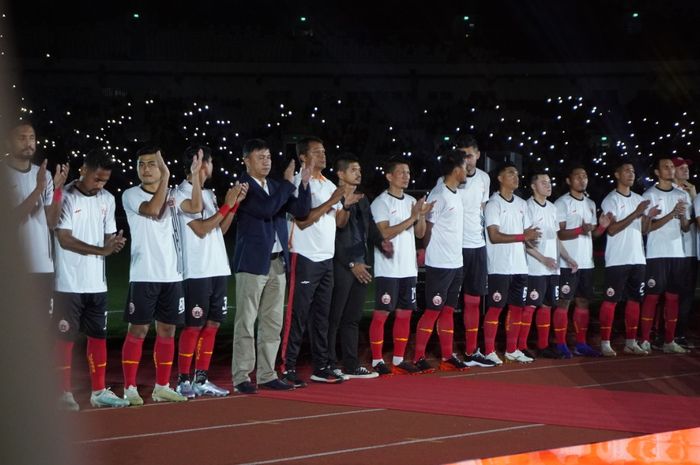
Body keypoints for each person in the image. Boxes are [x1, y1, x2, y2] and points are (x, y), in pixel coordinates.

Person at [231, 139, 311, 394]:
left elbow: (301, 210)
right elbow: (266, 210)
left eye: (268, 157)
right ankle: (241, 376)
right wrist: (288, 184)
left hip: (278, 263)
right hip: (252, 264)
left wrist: (304, 184)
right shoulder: (243, 187)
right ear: (246, 160)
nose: (266, 161)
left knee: (273, 322)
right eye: (260, 157)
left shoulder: (276, 186)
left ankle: (266, 374)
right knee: (246, 321)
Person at [53, 149, 129, 409]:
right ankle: (64, 393)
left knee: (98, 337)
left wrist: (114, 244)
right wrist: (102, 250)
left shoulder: (107, 198)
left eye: (105, 180)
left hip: (97, 284)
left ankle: (98, 392)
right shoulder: (65, 196)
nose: (100, 185)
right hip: (68, 284)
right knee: (65, 338)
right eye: (97, 179)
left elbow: (107, 238)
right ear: (83, 170)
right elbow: (64, 239)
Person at [119, 147, 196, 405]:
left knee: (167, 330)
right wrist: (166, 177)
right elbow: (153, 210)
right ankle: (130, 387)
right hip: (144, 274)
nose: (146, 168)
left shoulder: (172, 195)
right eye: (142, 164)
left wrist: (193, 176)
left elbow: (195, 207)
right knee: (138, 330)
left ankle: (162, 385)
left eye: (152, 164)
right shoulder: (130, 194)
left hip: (171, 275)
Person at [174, 145, 247, 397]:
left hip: (217, 267)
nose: (212, 166)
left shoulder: (208, 194)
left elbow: (220, 229)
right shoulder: (180, 194)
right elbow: (202, 228)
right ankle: (183, 380)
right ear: (200, 164)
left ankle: (201, 378)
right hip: (196, 270)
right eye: (210, 161)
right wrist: (226, 206)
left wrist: (234, 205)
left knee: (213, 323)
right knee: (193, 325)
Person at [281, 137, 351, 386]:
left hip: (325, 258)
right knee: (297, 315)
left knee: (322, 316)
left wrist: (346, 204)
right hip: (304, 255)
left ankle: (320, 366)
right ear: (303, 157)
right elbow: (302, 220)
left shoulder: (329, 183)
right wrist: (332, 202)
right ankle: (287, 366)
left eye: (324, 151)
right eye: (317, 152)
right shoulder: (300, 182)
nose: (323, 155)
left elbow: (340, 222)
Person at [328, 154, 390, 380]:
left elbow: (370, 227)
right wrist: (351, 263)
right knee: (333, 317)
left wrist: (381, 242)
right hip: (341, 265)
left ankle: (351, 364)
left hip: (362, 264)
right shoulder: (331, 197)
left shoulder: (362, 199)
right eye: (353, 169)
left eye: (359, 169)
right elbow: (331, 237)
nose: (358, 173)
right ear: (341, 173)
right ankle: (329, 363)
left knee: (352, 317)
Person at [368, 157, 431, 375]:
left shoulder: (411, 201)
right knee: (382, 314)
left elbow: (420, 233)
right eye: (401, 172)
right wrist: (413, 217)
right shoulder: (381, 202)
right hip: (388, 269)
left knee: (405, 314)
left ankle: (398, 358)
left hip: (408, 269)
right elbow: (384, 232)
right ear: (389, 176)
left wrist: (420, 216)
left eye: (408, 172)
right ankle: (377, 360)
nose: (406, 176)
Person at [3, 122, 68, 319]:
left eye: (32, 137)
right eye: (21, 138)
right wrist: (39, 189)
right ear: (7, 143)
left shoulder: (44, 174)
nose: (28, 143)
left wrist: (57, 190)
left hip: (42, 267)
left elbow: (51, 221)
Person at [412, 149, 470, 372]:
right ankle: (418, 356)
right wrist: (424, 251)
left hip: (456, 263)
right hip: (440, 264)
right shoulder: (439, 195)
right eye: (465, 167)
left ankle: (447, 356)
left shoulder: (455, 194)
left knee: (448, 311)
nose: (467, 171)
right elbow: (428, 228)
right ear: (456, 170)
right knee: (433, 310)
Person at [597, 161, 657, 357]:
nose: (631, 173)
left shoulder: (639, 199)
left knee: (635, 300)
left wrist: (648, 217)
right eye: (626, 170)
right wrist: (636, 213)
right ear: (617, 174)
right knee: (611, 300)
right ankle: (605, 342)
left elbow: (645, 230)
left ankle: (631, 341)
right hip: (617, 259)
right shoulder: (611, 200)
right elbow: (612, 230)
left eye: (633, 170)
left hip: (637, 257)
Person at [483, 163, 540, 364]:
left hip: (520, 266)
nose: (516, 177)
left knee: (517, 309)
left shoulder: (522, 204)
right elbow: (494, 236)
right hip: (499, 266)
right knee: (496, 308)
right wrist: (524, 236)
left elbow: (528, 236)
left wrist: (533, 237)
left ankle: (511, 349)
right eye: (510, 173)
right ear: (499, 178)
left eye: (517, 174)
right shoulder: (493, 204)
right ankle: (489, 350)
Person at [553, 165, 611, 358]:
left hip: (587, 263)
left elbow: (591, 234)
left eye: (585, 176)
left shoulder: (591, 203)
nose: (582, 179)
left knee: (583, 302)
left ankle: (581, 343)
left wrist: (602, 228)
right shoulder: (562, 203)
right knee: (564, 302)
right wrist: (579, 230)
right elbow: (558, 233)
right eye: (577, 176)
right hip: (567, 262)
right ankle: (560, 344)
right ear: (569, 180)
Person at [639, 157, 691, 354]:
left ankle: (669, 341)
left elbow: (685, 227)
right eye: (666, 167)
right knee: (652, 297)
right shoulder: (649, 195)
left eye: (672, 167)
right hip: (656, 253)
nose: (670, 169)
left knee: (673, 298)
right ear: (657, 173)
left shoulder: (681, 194)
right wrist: (671, 214)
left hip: (677, 253)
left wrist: (684, 216)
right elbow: (646, 229)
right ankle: (644, 340)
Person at [453, 136, 497, 367]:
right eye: (462, 155)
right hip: (454, 248)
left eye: (469, 154)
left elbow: (481, 208)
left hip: (477, 246)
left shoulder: (484, 179)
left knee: (473, 301)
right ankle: (445, 353)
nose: (466, 160)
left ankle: (472, 351)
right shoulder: (449, 180)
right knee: (448, 303)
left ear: (478, 155)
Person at [523, 170, 577, 359]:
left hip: (552, 267)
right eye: (544, 182)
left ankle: (543, 345)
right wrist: (542, 258)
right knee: (529, 306)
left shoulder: (552, 208)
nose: (548, 185)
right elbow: (525, 240)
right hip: (534, 267)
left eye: (550, 181)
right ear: (533, 186)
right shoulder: (527, 207)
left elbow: (554, 238)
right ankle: (521, 346)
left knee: (547, 306)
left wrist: (568, 257)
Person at [672, 157, 697, 350]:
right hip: (675, 251)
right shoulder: (672, 192)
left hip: (690, 251)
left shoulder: (690, 192)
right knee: (674, 295)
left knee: (686, 295)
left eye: (686, 167)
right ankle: (673, 333)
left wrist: (694, 196)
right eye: (680, 167)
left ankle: (679, 332)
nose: (685, 169)